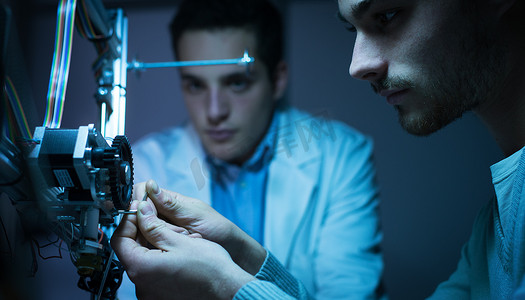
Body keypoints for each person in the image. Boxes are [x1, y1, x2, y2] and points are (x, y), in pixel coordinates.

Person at [118, 0, 385, 299]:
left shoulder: (342, 156)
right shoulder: (141, 165)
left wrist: (220, 281)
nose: (214, 111)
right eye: (195, 85)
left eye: (237, 83)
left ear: (278, 79)